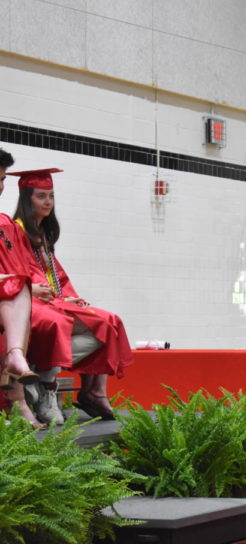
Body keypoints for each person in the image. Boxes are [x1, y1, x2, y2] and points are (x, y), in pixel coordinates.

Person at [10, 169, 134, 425]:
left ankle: (92, 391)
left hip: (51, 300)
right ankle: (47, 385)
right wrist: (36, 292)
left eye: (51, 196)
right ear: (26, 199)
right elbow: (18, 273)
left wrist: (66, 298)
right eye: (41, 196)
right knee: (60, 325)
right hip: (26, 302)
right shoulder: (14, 231)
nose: (48, 202)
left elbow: (56, 277)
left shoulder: (42, 235)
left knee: (109, 322)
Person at [0, 148, 43, 429]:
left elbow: (23, 267)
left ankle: (16, 356)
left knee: (18, 286)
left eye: (2, 179)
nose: (0, 186)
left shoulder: (5, 224)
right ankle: (19, 401)